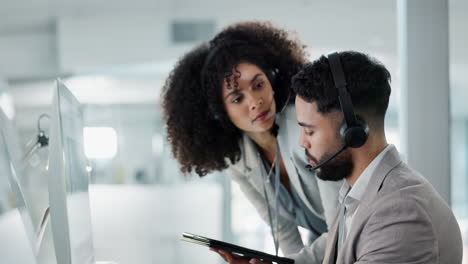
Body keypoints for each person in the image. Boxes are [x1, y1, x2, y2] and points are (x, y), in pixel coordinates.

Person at [161, 21, 341, 264]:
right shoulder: (237, 159)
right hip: (325, 245)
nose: (255, 101)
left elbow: (341, 226)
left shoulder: (304, 124)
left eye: (258, 85)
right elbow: (284, 231)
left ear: (272, 80)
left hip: (363, 232)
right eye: (237, 98)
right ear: (220, 112)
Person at [291, 51, 463, 264]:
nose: (302, 143)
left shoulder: (400, 213)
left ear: (352, 130)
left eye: (309, 131)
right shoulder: (357, 194)